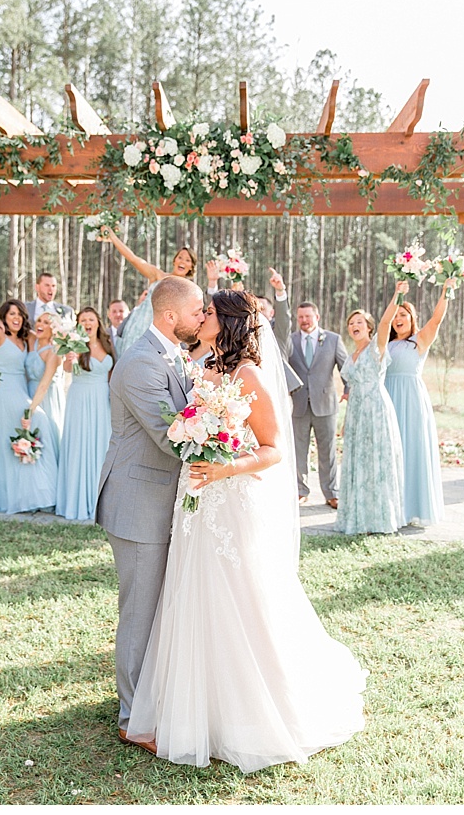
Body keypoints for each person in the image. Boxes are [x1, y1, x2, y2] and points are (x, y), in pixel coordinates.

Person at [125, 289, 367, 771]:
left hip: (230, 500)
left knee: (242, 599)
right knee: (192, 597)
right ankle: (195, 709)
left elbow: (275, 449)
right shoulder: (199, 365)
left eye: (209, 311)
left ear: (229, 321)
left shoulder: (249, 375)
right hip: (195, 503)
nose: (202, 316)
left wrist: (224, 469)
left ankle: (250, 712)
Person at [96, 275, 205, 746]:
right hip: (138, 500)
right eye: (198, 309)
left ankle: (147, 697)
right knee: (139, 611)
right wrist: (232, 449)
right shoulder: (141, 363)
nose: (202, 316)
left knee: (157, 605)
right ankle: (131, 719)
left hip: (160, 497)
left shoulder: (172, 353)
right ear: (170, 316)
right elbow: (171, 434)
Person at [0, 300, 60, 514]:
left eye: (19, 314)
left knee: (16, 442)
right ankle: (22, 496)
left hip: (21, 390)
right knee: (36, 423)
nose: (16, 318)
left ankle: (29, 495)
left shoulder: (24, 338)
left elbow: (47, 334)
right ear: (4, 317)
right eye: (11, 314)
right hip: (2, 393)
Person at [335, 289, 407, 535]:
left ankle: (379, 519)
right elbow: (351, 389)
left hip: (376, 407)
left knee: (377, 461)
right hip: (356, 412)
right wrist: (345, 422)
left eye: (359, 322)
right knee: (358, 462)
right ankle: (359, 518)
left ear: (368, 328)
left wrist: (396, 293)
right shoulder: (350, 356)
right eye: (351, 323)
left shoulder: (376, 349)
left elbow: (386, 322)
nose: (354, 326)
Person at [383, 281, 454, 526]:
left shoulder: (419, 341)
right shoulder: (386, 343)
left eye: (403, 315)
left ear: (412, 319)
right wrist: (397, 293)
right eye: (395, 315)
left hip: (411, 399)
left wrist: (446, 291)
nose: (398, 319)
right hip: (388, 398)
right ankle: (392, 509)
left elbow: (436, 319)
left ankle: (413, 509)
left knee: (411, 450)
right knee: (391, 452)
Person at [54, 308, 116, 521]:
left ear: (98, 322)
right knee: (80, 445)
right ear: (79, 324)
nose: (88, 323)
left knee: (101, 446)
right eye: (83, 320)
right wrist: (70, 358)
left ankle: (100, 501)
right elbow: (67, 368)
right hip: (80, 399)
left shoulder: (108, 343)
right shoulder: (75, 343)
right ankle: (78, 501)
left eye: (91, 319)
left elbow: (112, 372)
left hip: (102, 400)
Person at [100, 230, 199, 358]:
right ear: (174, 261)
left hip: (163, 330)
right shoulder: (157, 275)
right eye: (180, 257)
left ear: (191, 266)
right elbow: (133, 259)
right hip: (138, 326)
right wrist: (112, 236)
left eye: (187, 260)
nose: (182, 261)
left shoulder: (189, 289)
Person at [285, 299, 345, 507]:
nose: (304, 320)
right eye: (300, 317)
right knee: (299, 451)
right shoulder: (290, 340)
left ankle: (331, 492)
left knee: (327, 451)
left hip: (326, 405)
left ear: (317, 317)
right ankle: (301, 491)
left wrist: (349, 389)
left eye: (308, 316)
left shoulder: (333, 339)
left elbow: (345, 368)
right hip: (299, 405)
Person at [0, 273, 72, 344]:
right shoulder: (23, 308)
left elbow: (73, 335)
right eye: (47, 285)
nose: (51, 289)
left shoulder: (67, 311)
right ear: (37, 287)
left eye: (53, 286)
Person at [25, 312, 70, 428]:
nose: (40, 324)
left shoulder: (53, 352)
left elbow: (44, 385)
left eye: (46, 322)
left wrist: (29, 411)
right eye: (39, 320)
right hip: (28, 393)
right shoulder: (31, 339)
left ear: (53, 329)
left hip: (46, 398)